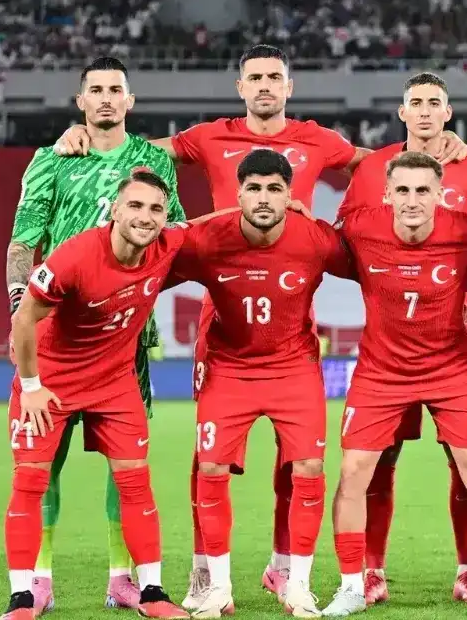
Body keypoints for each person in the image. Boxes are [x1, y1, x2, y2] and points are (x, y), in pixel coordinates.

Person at [51, 45, 467, 605]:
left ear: (289, 87)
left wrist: (435, 148)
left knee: (297, 456)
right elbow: (142, 151)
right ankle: (206, 573)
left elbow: (376, 165)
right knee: (208, 455)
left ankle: (283, 566)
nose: (265, 85)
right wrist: (86, 134)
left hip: (292, 313)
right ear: (241, 86)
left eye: (275, 77)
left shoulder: (317, 140)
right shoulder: (210, 137)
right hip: (222, 314)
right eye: (256, 77)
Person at [5, 56, 186, 612]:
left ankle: (122, 575)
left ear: (130, 101)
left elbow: (175, 230)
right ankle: (38, 577)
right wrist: (19, 308)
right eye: (97, 90)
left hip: (127, 336)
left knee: (125, 462)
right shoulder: (52, 159)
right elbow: (23, 240)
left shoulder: (154, 161)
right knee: (46, 457)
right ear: (80, 101)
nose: (107, 98)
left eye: (116, 89)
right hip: (58, 328)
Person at [336, 71, 467, 606]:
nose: (424, 111)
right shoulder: (373, 168)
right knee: (377, 462)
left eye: (434, 102)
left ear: (447, 112)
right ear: (402, 112)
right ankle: (368, 572)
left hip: (452, 339)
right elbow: (347, 241)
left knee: (466, 465)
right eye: (415, 102)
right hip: (387, 342)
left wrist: (461, 279)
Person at [168, 149, 354, 618]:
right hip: (229, 369)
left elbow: (369, 261)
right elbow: (148, 264)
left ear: (290, 195)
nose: (264, 198)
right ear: (238, 194)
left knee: (309, 467)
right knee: (210, 468)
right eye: (253, 188)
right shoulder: (208, 240)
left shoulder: (314, 238)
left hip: (293, 369)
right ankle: (218, 587)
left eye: (274, 189)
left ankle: (298, 585)